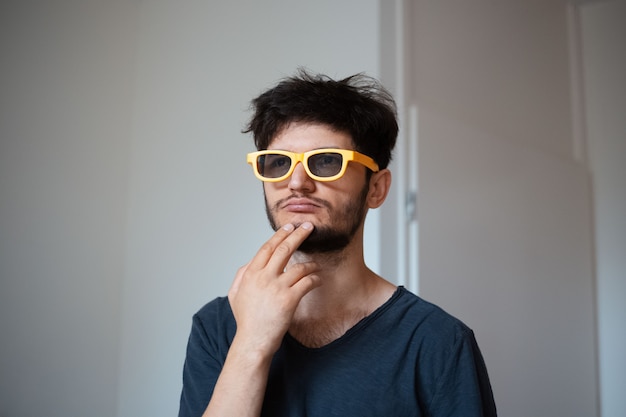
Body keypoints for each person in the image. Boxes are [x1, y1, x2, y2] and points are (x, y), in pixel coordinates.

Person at [178, 70, 497, 417]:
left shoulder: (437, 341)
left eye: (326, 161)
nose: (297, 182)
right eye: (278, 163)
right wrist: (251, 345)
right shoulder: (218, 326)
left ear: (376, 188)